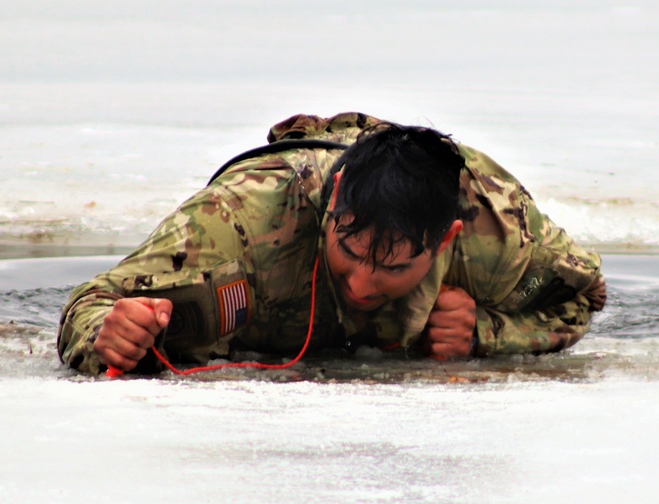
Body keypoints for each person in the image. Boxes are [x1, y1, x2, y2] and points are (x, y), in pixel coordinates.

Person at [57, 112, 607, 376]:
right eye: (352, 250)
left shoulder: (497, 232)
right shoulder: (237, 222)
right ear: (337, 197)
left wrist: (486, 332)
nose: (364, 284)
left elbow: (582, 297)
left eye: (392, 267)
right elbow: (90, 302)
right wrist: (110, 333)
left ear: (446, 243)